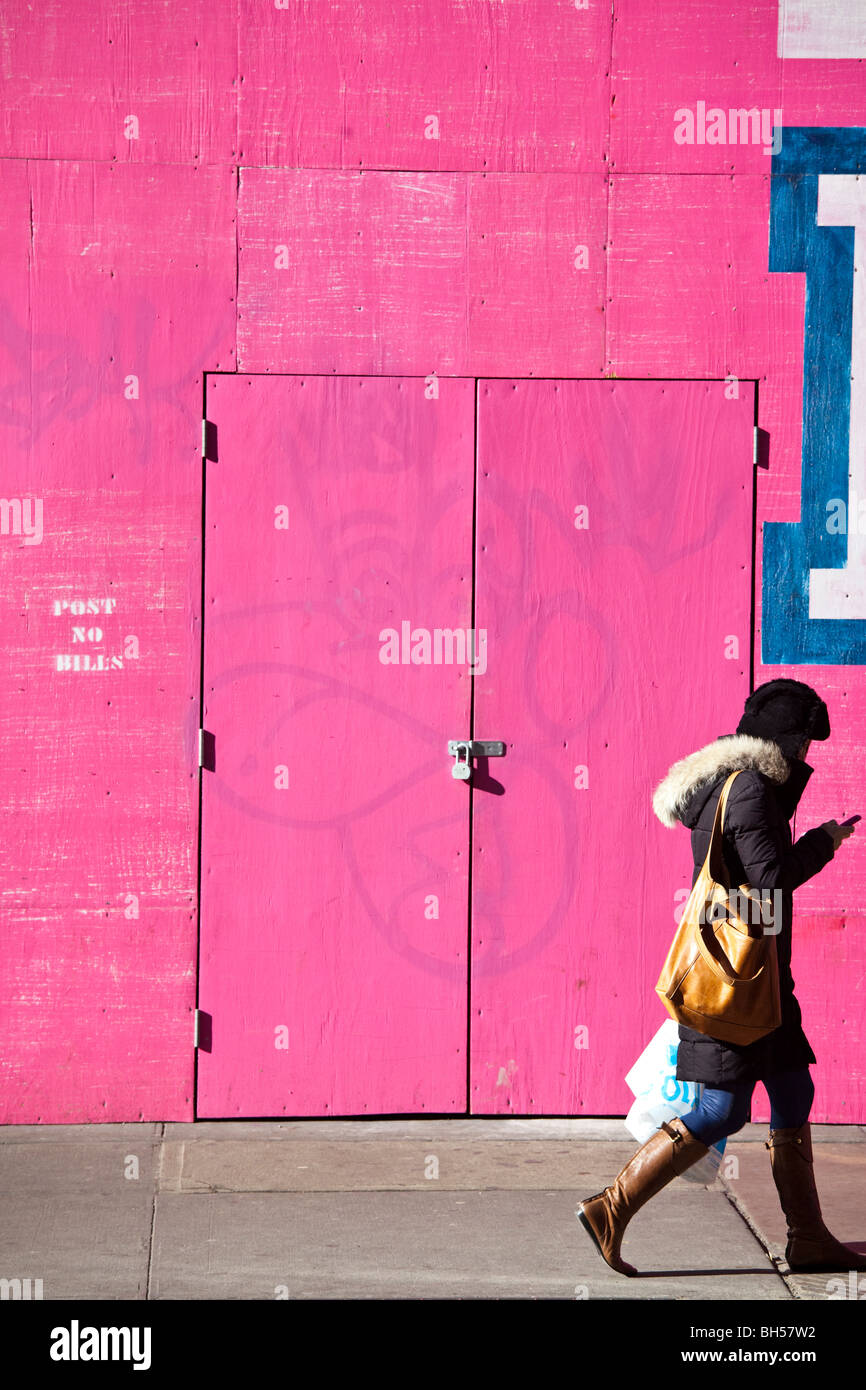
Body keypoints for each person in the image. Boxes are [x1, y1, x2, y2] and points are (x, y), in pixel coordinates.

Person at [577, 678, 866, 1277]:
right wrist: (824, 842)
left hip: (760, 983)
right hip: (736, 984)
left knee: (793, 1093)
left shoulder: (729, 784)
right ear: (783, 741)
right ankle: (611, 1206)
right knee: (721, 1109)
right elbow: (768, 886)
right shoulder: (751, 791)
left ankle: (807, 1238)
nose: (806, 757)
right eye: (803, 745)